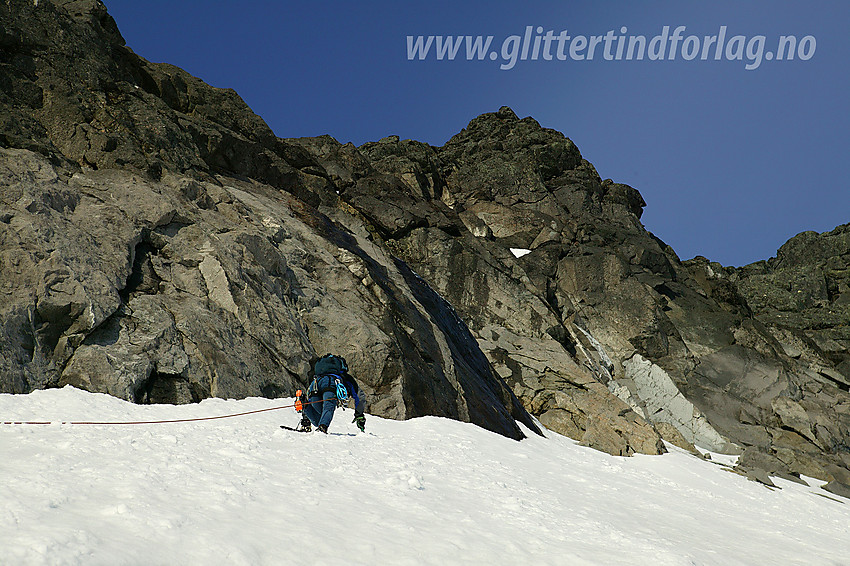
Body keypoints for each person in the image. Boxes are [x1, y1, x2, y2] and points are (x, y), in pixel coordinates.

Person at [296, 354, 366, 433]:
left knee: (318, 420)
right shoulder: (345, 377)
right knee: (328, 407)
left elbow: (311, 398)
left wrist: (306, 419)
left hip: (315, 384)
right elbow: (360, 396)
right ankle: (323, 428)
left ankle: (304, 404)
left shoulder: (318, 376)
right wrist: (359, 415)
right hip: (330, 384)